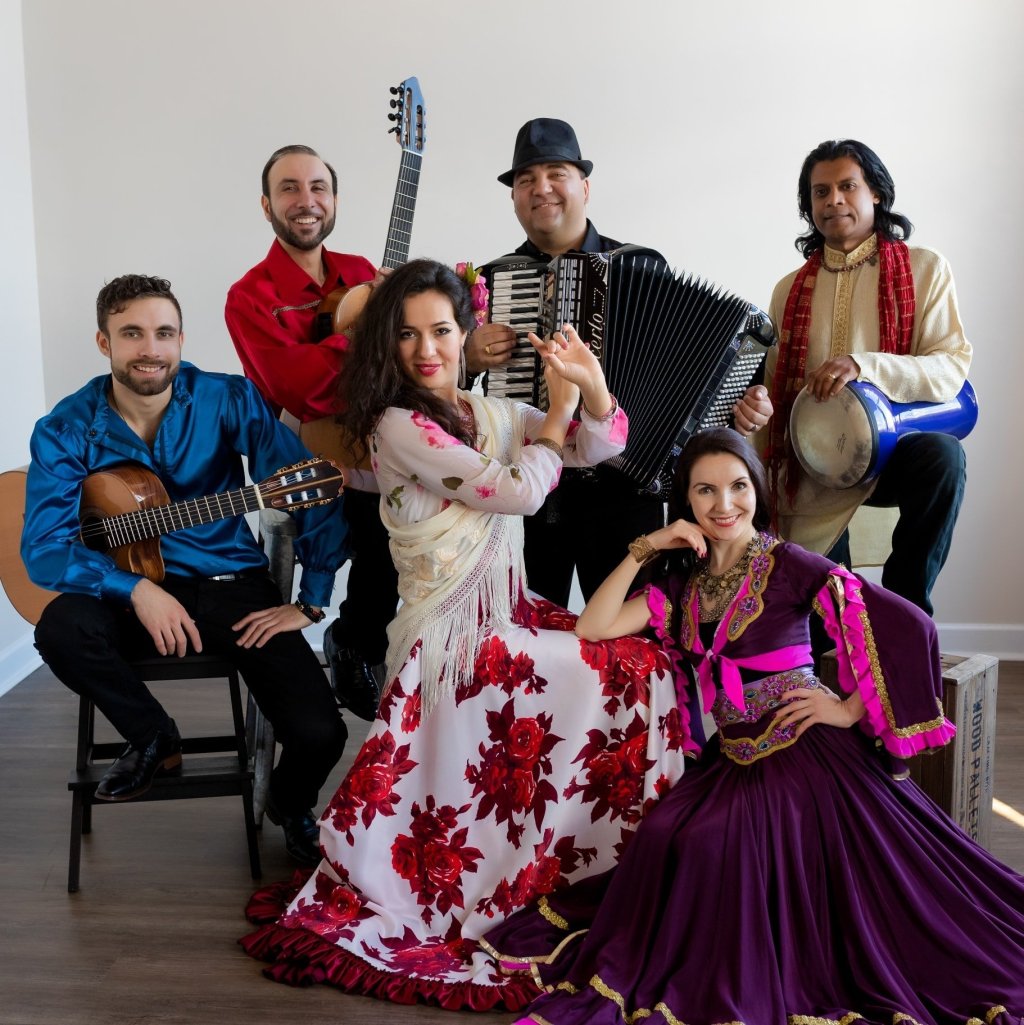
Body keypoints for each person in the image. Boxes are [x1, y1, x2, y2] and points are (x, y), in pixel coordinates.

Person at [240, 260, 688, 1010]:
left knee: (647, 659)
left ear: (466, 333)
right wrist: (556, 415)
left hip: (504, 612)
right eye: (408, 334)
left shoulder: (492, 411)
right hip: (449, 639)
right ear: (388, 343)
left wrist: (590, 386)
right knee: (623, 667)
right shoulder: (396, 425)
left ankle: (588, 862)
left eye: (442, 331)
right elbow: (515, 490)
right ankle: (547, 858)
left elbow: (601, 446)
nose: (427, 349)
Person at [483, 427, 1024, 1025]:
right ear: (686, 500)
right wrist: (647, 546)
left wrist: (848, 708)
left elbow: (907, 622)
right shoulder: (682, 586)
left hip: (808, 751)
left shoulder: (787, 564)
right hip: (734, 756)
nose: (724, 504)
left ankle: (755, 974)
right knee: (665, 834)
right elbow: (594, 625)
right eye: (706, 490)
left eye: (738, 486)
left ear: (757, 491)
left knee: (718, 844)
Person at [25, 274, 349, 866]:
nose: (150, 348)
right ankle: (153, 736)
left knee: (321, 732)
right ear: (104, 343)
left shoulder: (227, 398)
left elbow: (317, 489)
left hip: (227, 583)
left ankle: (289, 801)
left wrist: (312, 597)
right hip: (122, 595)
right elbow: (43, 549)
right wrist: (134, 589)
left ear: (180, 339)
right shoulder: (65, 428)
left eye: (164, 333)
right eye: (132, 333)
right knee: (59, 629)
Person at [466, 117, 773, 609]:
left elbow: (685, 377)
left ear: (584, 187)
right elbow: (445, 388)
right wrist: (468, 358)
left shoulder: (641, 264)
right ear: (514, 198)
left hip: (626, 490)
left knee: (631, 632)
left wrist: (740, 405)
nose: (541, 188)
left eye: (556, 174)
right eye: (526, 180)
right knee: (523, 629)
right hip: (529, 487)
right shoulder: (495, 279)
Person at [763, 139, 972, 616]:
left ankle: (906, 612)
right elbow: (773, 390)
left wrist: (865, 365)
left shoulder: (924, 269)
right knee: (825, 627)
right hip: (813, 469)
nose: (833, 200)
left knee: (943, 456)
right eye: (820, 192)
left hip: (894, 453)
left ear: (875, 192)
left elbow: (950, 366)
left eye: (847, 186)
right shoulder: (788, 290)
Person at [225, 143, 397, 719]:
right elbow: (302, 389)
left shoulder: (363, 273)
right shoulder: (249, 297)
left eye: (318, 187)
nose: (306, 200)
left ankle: (366, 645)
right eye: (289, 188)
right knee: (378, 522)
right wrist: (368, 337)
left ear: (335, 199)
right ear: (266, 205)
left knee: (420, 514)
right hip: (295, 454)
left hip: (370, 445)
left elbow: (402, 364)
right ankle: (331, 659)